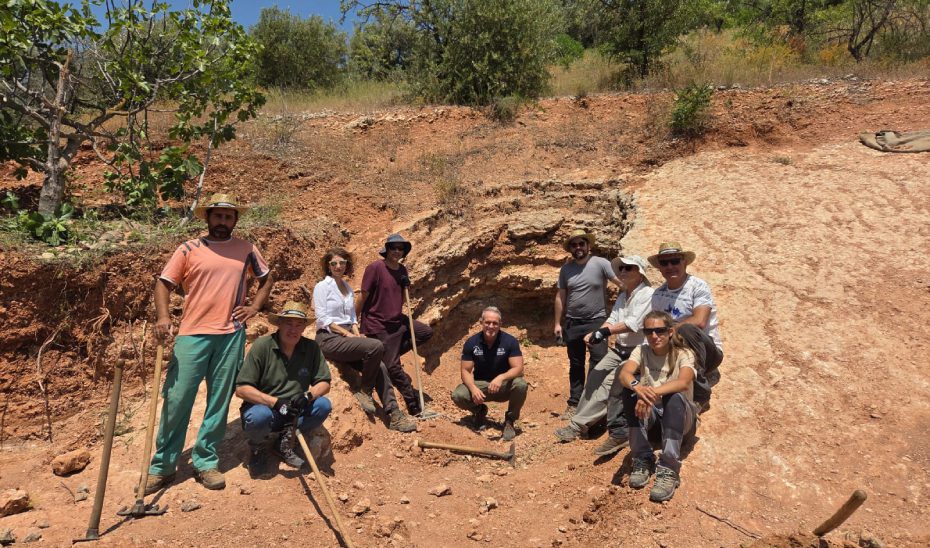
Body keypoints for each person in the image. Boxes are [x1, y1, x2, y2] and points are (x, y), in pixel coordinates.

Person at [145, 193, 273, 494]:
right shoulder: (188, 248)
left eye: (228, 217)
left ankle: (205, 461)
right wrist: (163, 317)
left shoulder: (247, 249)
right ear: (208, 218)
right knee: (177, 400)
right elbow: (163, 284)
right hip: (192, 333)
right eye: (218, 216)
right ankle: (162, 466)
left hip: (231, 335)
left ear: (235, 220)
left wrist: (254, 307)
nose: (223, 222)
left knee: (219, 401)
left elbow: (267, 278)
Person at [554, 256, 653, 454]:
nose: (622, 272)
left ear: (639, 272)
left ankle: (578, 426)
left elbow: (634, 323)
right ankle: (583, 419)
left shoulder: (648, 294)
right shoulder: (624, 295)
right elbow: (613, 318)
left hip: (637, 352)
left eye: (628, 268)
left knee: (608, 384)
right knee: (595, 375)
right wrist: (598, 332)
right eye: (621, 268)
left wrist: (604, 332)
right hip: (620, 348)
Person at [312, 248, 416, 433]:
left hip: (346, 337)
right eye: (334, 263)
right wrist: (348, 335)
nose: (338, 266)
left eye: (342, 262)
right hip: (328, 338)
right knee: (376, 346)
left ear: (347, 265)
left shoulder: (348, 288)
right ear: (327, 266)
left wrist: (357, 335)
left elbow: (352, 318)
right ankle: (365, 391)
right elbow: (322, 319)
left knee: (381, 366)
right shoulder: (322, 287)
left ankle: (394, 414)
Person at [235, 301, 333, 479]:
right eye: (288, 323)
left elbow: (324, 382)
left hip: (294, 412)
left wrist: (307, 396)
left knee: (323, 405)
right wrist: (275, 402)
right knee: (258, 417)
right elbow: (242, 389)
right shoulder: (262, 346)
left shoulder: (311, 348)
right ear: (279, 324)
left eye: (298, 325)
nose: (293, 329)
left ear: (304, 328)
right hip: (266, 410)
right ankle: (257, 449)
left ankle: (284, 442)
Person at [618, 311, 698, 502]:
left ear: (670, 331)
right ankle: (642, 457)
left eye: (660, 331)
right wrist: (638, 388)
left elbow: (684, 382)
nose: (654, 336)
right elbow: (624, 374)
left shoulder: (684, 353)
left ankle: (669, 468)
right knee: (630, 391)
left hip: (680, 421)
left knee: (674, 396)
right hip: (653, 420)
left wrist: (651, 394)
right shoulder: (642, 350)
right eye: (649, 331)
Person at [356, 233, 434, 416]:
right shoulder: (375, 267)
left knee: (424, 332)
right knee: (393, 367)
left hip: (398, 321)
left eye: (400, 248)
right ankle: (414, 406)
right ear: (387, 249)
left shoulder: (402, 270)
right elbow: (363, 296)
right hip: (379, 324)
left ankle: (388, 354)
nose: (397, 251)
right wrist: (354, 319)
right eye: (393, 248)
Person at [645, 242, 723, 410]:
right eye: (664, 263)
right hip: (674, 351)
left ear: (684, 262)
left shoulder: (698, 286)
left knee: (688, 330)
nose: (670, 266)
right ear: (659, 268)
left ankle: (701, 392)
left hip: (707, 352)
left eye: (675, 261)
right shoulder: (658, 294)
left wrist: (670, 329)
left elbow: (700, 321)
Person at [553, 229, 621, 419]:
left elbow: (619, 283)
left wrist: (634, 294)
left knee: (598, 361)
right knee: (576, 364)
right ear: (571, 249)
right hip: (573, 322)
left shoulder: (601, 263)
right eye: (574, 245)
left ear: (588, 246)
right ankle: (574, 402)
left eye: (581, 244)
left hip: (596, 321)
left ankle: (591, 401)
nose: (578, 248)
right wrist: (557, 323)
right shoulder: (566, 269)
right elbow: (561, 296)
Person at [451, 307, 527, 441]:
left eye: (495, 323)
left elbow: (518, 368)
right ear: (481, 322)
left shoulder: (510, 341)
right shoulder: (471, 343)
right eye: (487, 322)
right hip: (482, 385)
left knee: (520, 384)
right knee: (458, 395)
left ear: (500, 324)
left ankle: (509, 421)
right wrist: (473, 388)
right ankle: (479, 411)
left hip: (503, 385)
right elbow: (465, 370)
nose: (491, 326)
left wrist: (501, 377)